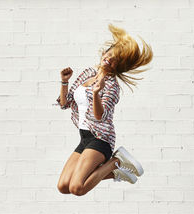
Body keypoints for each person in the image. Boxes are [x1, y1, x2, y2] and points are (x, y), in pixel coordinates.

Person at [53, 23, 153, 196]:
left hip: (101, 139)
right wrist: (64, 81)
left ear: (118, 66)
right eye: (109, 54)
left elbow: (100, 116)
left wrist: (97, 93)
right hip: (84, 138)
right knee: (63, 186)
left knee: (77, 188)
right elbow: (65, 104)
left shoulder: (112, 86)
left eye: (115, 59)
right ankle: (115, 171)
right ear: (104, 53)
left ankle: (114, 162)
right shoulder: (87, 74)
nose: (109, 58)